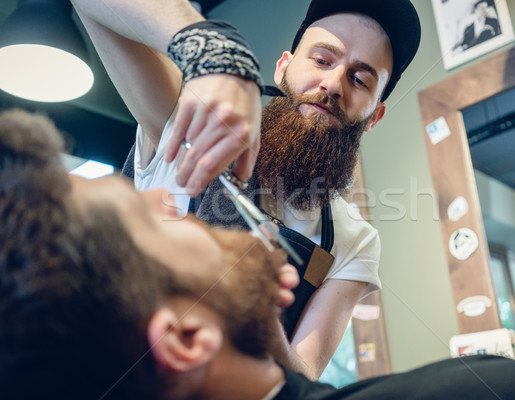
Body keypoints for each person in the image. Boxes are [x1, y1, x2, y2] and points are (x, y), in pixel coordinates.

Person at [1, 108, 515, 400]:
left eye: (363, 78)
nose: (162, 199)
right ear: (184, 338)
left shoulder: (353, 236)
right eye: (143, 216)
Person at [71, 0, 421, 379]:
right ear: (283, 66)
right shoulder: (196, 125)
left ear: (376, 116)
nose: (333, 85)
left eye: (360, 80)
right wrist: (217, 51)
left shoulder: (356, 241)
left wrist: (261, 319)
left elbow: (302, 379)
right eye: (322, 60)